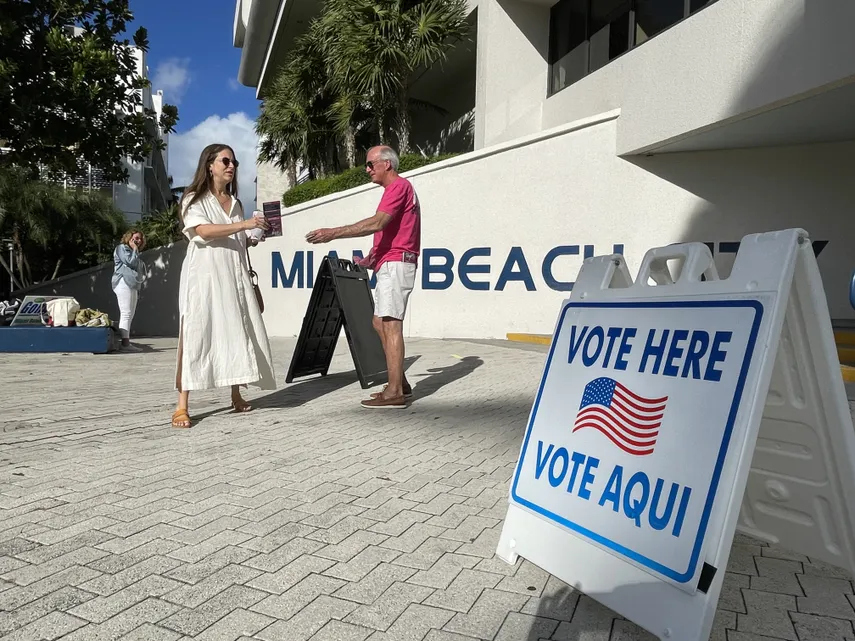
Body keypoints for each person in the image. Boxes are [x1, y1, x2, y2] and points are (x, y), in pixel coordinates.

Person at [306, 145, 420, 409]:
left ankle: (394, 394)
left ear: (387, 164)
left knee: (390, 324)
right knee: (379, 323)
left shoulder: (398, 187)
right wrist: (372, 257)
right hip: (389, 262)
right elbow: (391, 230)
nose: (367, 169)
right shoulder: (397, 190)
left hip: (396, 264)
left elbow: (378, 222)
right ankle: (399, 383)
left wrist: (333, 233)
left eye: (370, 164)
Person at [171, 143, 276, 428]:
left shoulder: (237, 203)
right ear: (210, 164)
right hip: (203, 276)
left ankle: (235, 393)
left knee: (236, 328)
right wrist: (243, 225)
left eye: (234, 162)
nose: (231, 166)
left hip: (234, 273)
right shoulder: (193, 199)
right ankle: (182, 405)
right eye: (225, 160)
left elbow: (237, 239)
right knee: (197, 331)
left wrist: (253, 235)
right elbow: (203, 231)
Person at [111, 229, 147, 352]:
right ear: (129, 238)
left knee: (130, 314)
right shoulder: (121, 248)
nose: (138, 240)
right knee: (126, 312)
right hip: (123, 282)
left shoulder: (132, 251)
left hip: (132, 284)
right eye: (136, 238)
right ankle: (125, 344)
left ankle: (126, 341)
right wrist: (135, 250)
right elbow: (129, 262)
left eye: (140, 239)